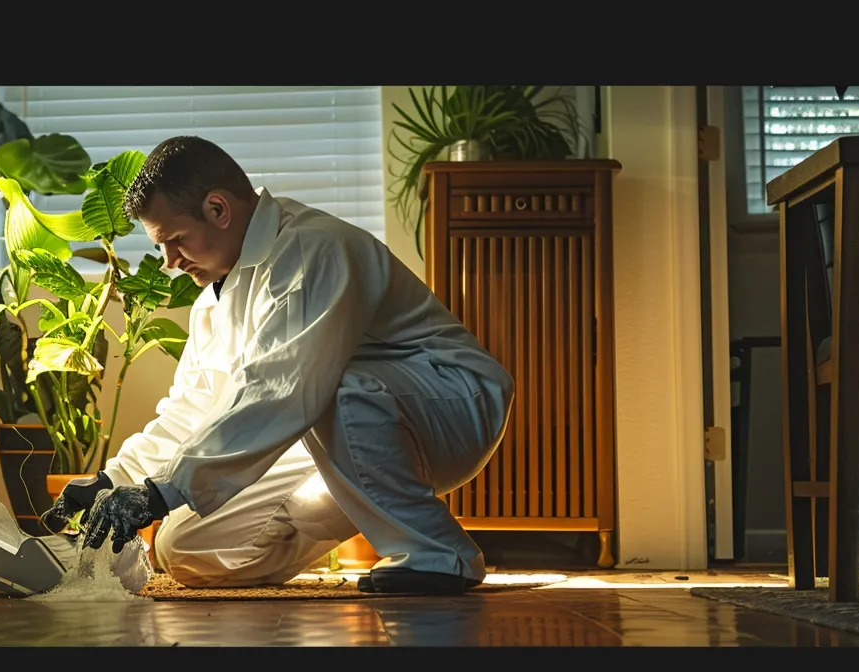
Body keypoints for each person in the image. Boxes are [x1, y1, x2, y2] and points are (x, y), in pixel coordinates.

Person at [44, 135, 515, 596]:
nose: (168, 262)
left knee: (338, 389)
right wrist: (114, 479)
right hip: (342, 423)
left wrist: (161, 493)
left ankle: (438, 555)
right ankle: (364, 501)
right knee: (186, 548)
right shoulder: (215, 297)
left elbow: (283, 389)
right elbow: (193, 407)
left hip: (448, 403)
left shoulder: (312, 249)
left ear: (217, 209)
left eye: (176, 241)